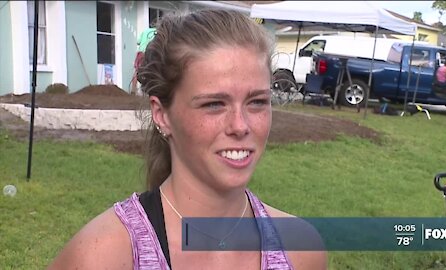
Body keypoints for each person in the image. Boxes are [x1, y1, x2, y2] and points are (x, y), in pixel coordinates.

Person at [48, 10, 326, 270]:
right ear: (162, 115)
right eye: (214, 104)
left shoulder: (301, 249)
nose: (240, 126)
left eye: (257, 102)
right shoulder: (104, 255)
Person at [131, 19, 157, 95]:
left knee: (136, 71)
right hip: (151, 53)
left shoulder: (145, 31)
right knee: (152, 71)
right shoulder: (158, 32)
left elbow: (138, 42)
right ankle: (149, 91)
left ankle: (133, 90)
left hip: (141, 52)